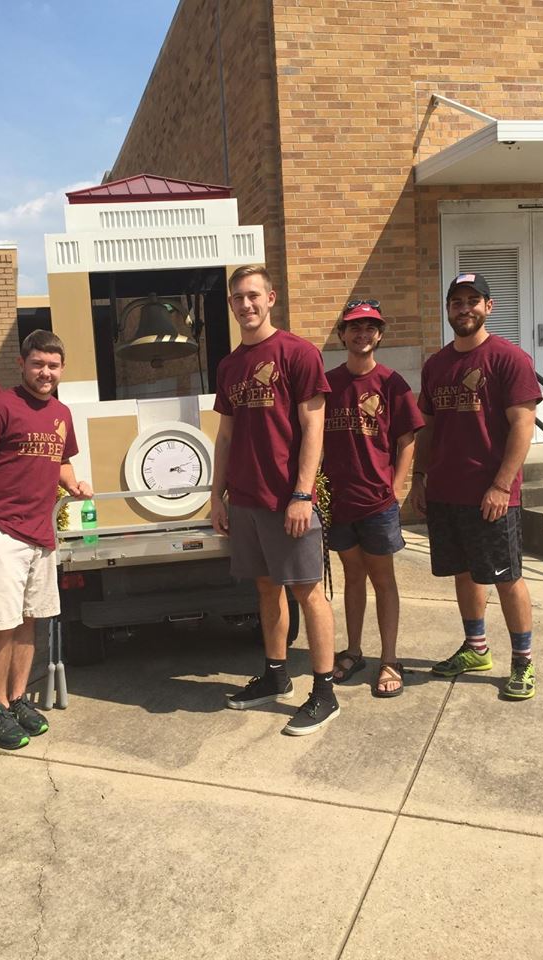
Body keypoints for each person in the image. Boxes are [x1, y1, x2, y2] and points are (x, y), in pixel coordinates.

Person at [211, 265, 338, 736]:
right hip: (245, 500)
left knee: (308, 591)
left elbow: (313, 427)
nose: (245, 305)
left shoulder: (298, 353)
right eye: (237, 298)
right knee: (266, 588)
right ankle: (276, 675)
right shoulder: (229, 366)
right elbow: (225, 436)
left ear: (270, 298)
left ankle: (324, 692)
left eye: (253, 296)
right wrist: (217, 496)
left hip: (288, 500)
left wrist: (302, 493)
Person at [412, 272, 542, 700]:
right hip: (446, 492)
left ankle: (523, 661)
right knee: (464, 573)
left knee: (506, 577)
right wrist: (419, 478)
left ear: (488, 306)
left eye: (472, 301)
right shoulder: (436, 365)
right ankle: (476, 648)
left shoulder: (509, 359)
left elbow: (523, 425)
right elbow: (428, 428)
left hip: (492, 496)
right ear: (448, 309)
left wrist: (502, 486)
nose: (464, 308)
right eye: (457, 302)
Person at [0, 329, 92, 750]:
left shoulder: (61, 413)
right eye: (38, 364)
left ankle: (17, 699)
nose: (45, 372)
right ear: (22, 364)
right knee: (1, 625)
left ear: (62, 368)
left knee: (29, 621)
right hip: (4, 534)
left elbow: (61, 461)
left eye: (53, 366)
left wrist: (73, 484)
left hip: (41, 536)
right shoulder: (0, 407)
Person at [323, 300, 424, 698]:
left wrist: (397, 488)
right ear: (342, 334)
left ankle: (390, 659)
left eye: (370, 327)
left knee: (383, 579)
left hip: (377, 502)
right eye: (354, 327)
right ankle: (353, 651)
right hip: (340, 502)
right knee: (352, 576)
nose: (362, 334)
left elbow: (407, 440)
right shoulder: (328, 383)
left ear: (379, 335)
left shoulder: (392, 384)